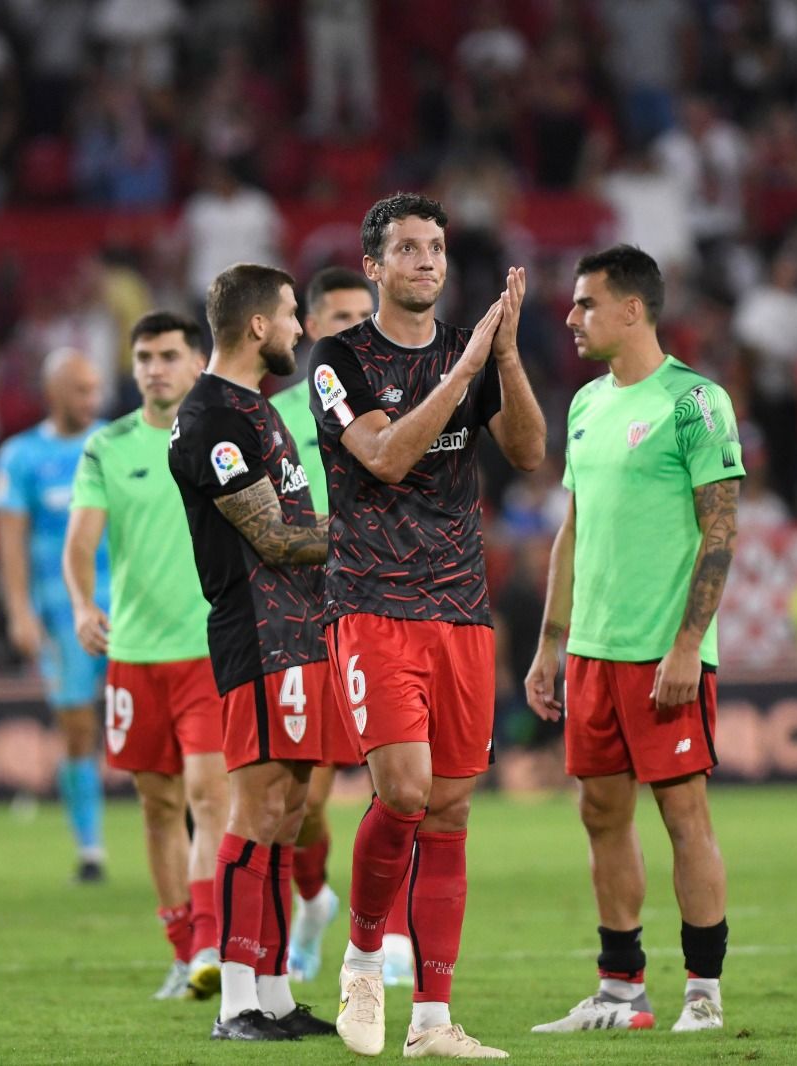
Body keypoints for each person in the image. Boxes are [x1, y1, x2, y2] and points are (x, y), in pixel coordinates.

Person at [311, 192, 544, 1059]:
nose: (427, 261)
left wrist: (506, 355)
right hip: (372, 602)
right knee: (403, 791)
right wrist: (465, 368)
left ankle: (435, 1021)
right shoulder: (340, 358)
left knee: (448, 811)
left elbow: (526, 452)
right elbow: (384, 454)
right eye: (407, 248)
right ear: (373, 265)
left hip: (459, 607)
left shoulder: (475, 351)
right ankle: (364, 964)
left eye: (436, 248)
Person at [525, 244, 742, 1035]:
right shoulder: (585, 405)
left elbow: (721, 531)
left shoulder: (695, 401)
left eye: (586, 304)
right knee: (600, 814)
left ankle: (704, 994)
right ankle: (621, 993)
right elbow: (572, 531)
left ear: (633, 310)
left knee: (685, 818)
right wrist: (552, 641)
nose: (574, 318)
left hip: (662, 653)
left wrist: (690, 644)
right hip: (592, 650)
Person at [168, 263, 341, 1042]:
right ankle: (237, 1000)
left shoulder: (257, 410)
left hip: (299, 630)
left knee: (292, 809)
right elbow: (270, 536)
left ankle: (272, 993)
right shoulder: (210, 417)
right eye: (293, 314)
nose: (303, 328)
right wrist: (367, 540)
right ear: (259, 326)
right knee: (258, 806)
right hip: (258, 632)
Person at [65, 310, 228, 1001]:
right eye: (144, 357)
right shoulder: (107, 446)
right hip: (134, 653)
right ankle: (181, 945)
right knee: (158, 804)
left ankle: (213, 942)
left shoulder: (224, 440)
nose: (154, 368)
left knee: (206, 794)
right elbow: (80, 543)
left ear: (198, 363)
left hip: (207, 647)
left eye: (167, 355)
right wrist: (80, 603)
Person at [268, 265, 379, 984]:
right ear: (310, 327)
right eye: (340, 320)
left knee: (402, 785)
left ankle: (388, 940)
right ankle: (311, 902)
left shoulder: (395, 412)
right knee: (298, 801)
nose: (355, 334)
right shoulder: (269, 415)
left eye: (361, 320)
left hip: (382, 618)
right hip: (297, 628)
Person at [0, 349, 111, 882]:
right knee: (78, 726)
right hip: (62, 611)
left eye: (94, 389)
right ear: (54, 392)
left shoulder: (114, 441)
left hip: (131, 602)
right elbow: (10, 541)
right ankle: (89, 848)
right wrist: (20, 611)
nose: (93, 399)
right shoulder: (20, 456)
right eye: (81, 390)